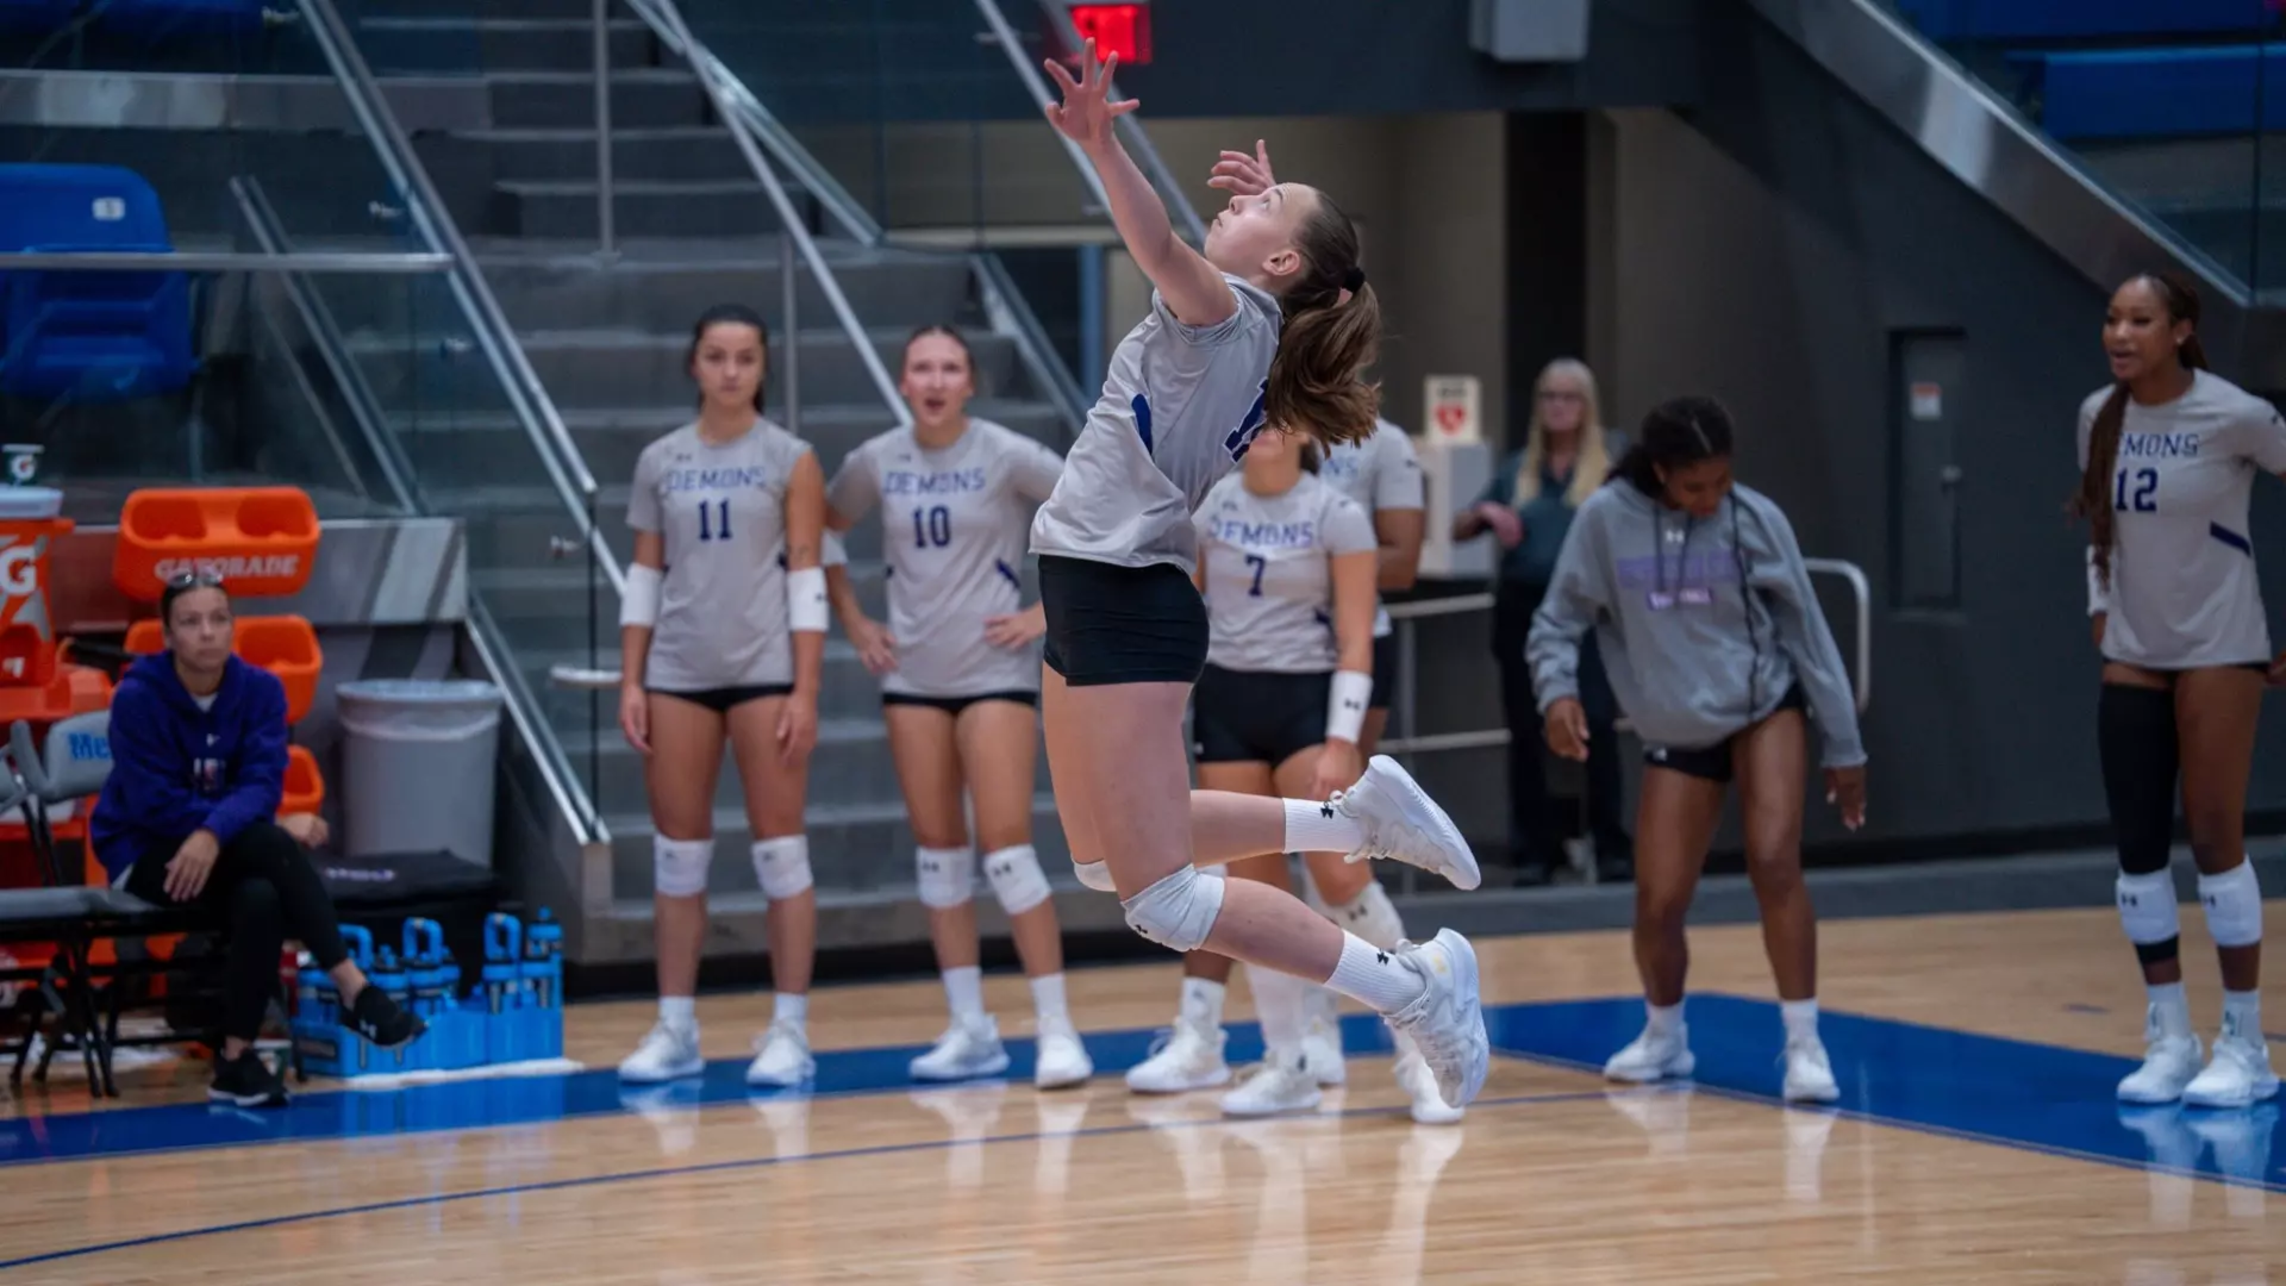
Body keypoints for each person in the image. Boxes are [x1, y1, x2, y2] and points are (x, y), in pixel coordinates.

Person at [1028, 41, 1488, 1113]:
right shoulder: (1248, 323)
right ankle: (1350, 821)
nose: (1236, 201)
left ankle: (1414, 988)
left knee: (1163, 900)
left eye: (1262, 206)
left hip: (1124, 594)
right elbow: (1238, 252)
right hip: (1088, 584)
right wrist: (1278, 214)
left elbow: (1155, 241)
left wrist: (1102, 146)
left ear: (1279, 262)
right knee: (1100, 862)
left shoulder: (1231, 316)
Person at [1526, 395, 1865, 1103]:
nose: (1711, 499)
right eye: (1694, 486)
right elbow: (1556, 620)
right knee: (1658, 900)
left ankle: (1805, 1045)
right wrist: (1556, 693)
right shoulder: (1605, 521)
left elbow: (1807, 632)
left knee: (1774, 860)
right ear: (1659, 472)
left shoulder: (1755, 519)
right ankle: (1665, 1036)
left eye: (1721, 482)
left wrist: (1844, 744)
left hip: (1762, 707)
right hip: (1676, 727)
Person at [823, 323, 1093, 1090]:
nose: (936, 381)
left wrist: (1046, 614)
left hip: (993, 673)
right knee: (938, 857)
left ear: (970, 383)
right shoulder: (876, 460)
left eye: (949, 368)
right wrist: (854, 620)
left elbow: (1095, 512)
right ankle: (970, 1029)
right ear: (903, 381)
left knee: (1006, 852)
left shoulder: (1005, 453)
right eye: (922, 368)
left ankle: (1057, 1029)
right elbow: (822, 529)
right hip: (912, 677)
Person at [2071, 272, 2283, 1108]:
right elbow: (2099, 518)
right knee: (2137, 847)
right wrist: (2099, 603)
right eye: (2112, 319)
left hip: (2220, 644)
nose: (2119, 334)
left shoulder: (2236, 414)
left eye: (2140, 320)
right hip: (2135, 647)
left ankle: (2246, 1044)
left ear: (2181, 330)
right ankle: (2169, 1037)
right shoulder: (2099, 414)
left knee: (2215, 834)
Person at [92, 573, 423, 1107]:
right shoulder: (137, 698)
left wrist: (212, 832)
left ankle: (234, 1059)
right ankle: (354, 988)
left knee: (262, 895)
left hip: (223, 851)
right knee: (271, 844)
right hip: (146, 852)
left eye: (219, 619)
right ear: (168, 636)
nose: (207, 632)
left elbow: (262, 786)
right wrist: (221, 829)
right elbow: (153, 804)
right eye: (191, 622)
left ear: (233, 627)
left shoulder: (261, 690)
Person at [615, 303, 827, 1089]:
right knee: (678, 856)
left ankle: (789, 1029)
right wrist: (631, 678)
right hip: (677, 672)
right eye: (716, 356)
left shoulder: (790, 458)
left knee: (781, 852)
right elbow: (645, 575)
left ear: (763, 368)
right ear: (694, 365)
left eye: (745, 358)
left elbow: (806, 576)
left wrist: (806, 689)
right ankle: (676, 1026)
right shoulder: (660, 460)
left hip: (765, 670)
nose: (731, 371)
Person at [1454, 358, 1632, 886]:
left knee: (1596, 721)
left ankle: (1610, 842)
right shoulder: (1519, 469)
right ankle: (1534, 849)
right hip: (1522, 606)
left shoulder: (1612, 460)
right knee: (1526, 730)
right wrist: (1486, 515)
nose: (1558, 406)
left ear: (1587, 405)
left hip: (1590, 610)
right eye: (1550, 396)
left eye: (1569, 397)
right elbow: (1460, 525)